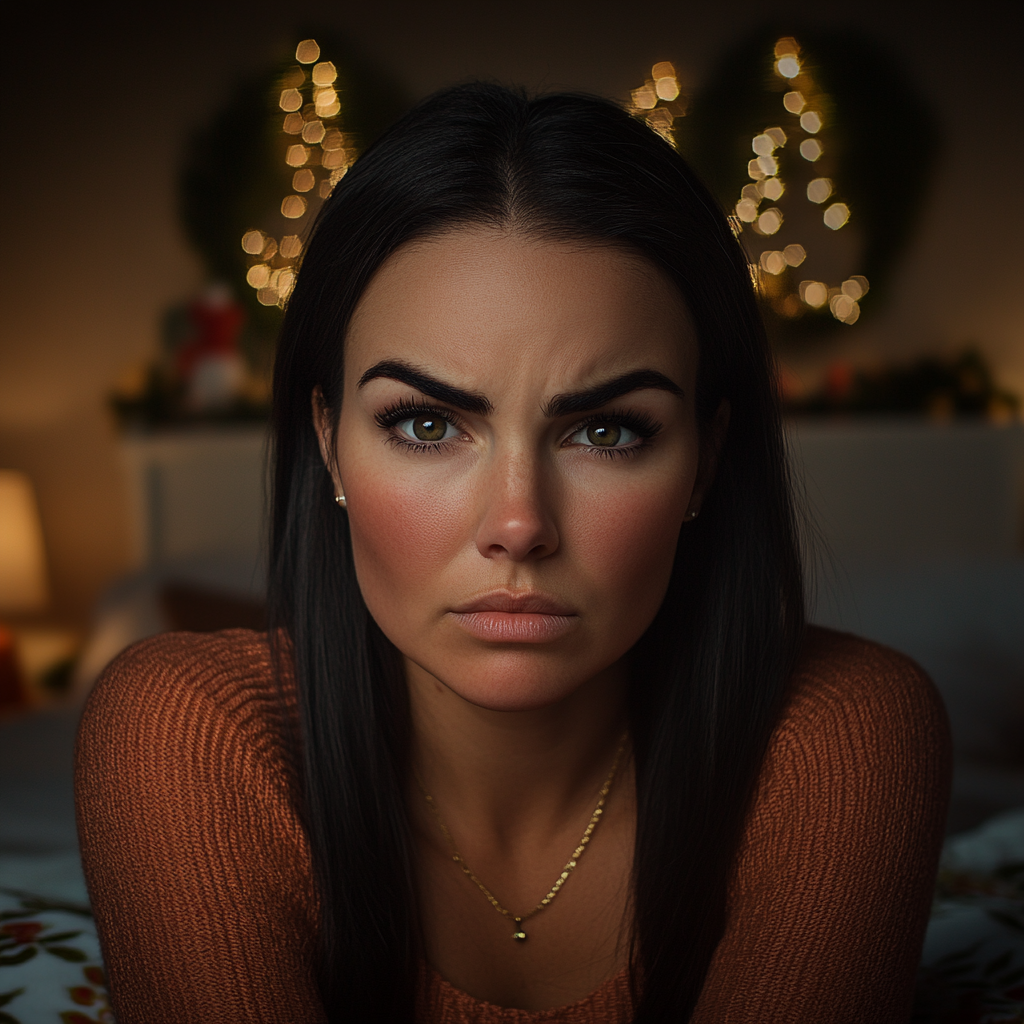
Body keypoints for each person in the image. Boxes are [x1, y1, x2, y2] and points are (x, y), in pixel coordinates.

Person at [75, 83, 951, 1023]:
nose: (519, 523)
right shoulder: (183, 734)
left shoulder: (846, 734)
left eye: (608, 432)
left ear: (706, 462)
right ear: (328, 443)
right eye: (424, 422)